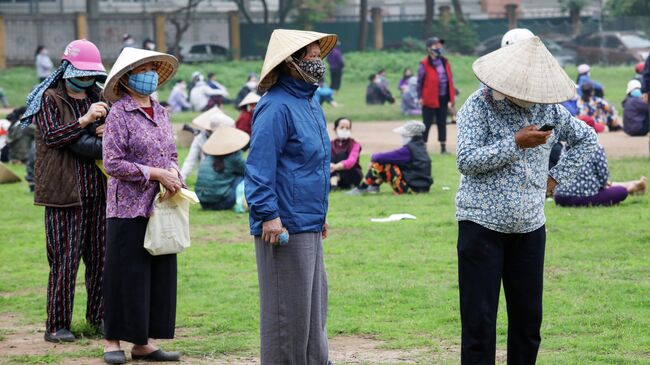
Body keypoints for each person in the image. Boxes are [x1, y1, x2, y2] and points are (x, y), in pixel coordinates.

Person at [455, 30, 598, 365]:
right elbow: (466, 160)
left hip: (530, 228)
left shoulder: (550, 109)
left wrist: (554, 178)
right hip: (481, 226)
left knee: (528, 320)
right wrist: (515, 144)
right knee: (479, 321)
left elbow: (587, 139)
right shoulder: (478, 106)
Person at [245, 29, 336, 365]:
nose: (317, 62)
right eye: (311, 57)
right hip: (282, 224)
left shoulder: (310, 103)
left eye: (318, 56)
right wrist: (268, 214)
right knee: (288, 311)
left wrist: (320, 213)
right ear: (291, 63)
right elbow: (259, 167)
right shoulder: (274, 106)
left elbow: (312, 164)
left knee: (313, 306)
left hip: (308, 219)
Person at [20, 39, 109, 343]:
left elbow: (108, 135)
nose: (86, 78)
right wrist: (85, 121)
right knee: (64, 261)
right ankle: (57, 325)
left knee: (100, 259)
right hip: (63, 195)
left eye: (91, 73)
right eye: (81, 72)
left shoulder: (98, 96)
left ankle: (98, 318)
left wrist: (104, 127)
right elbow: (53, 136)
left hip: (98, 191)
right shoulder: (50, 98)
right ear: (67, 69)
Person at [101, 47, 183, 365]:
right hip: (126, 208)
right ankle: (112, 341)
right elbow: (112, 162)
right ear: (127, 77)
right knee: (125, 273)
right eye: (143, 69)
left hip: (160, 205)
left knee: (155, 274)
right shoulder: (119, 114)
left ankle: (143, 342)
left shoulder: (161, 112)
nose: (149, 74)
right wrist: (153, 173)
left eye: (152, 68)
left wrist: (174, 174)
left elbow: (171, 153)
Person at [347, 120, 432, 195]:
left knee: (380, 163)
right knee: (389, 162)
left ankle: (362, 188)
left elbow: (379, 157)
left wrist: (373, 157)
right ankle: (374, 186)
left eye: (403, 135)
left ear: (409, 135)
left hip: (411, 189)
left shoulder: (407, 150)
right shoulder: (421, 147)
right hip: (423, 188)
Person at [555, 141, 646, 207]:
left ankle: (632, 183)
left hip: (560, 197)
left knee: (605, 185)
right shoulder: (595, 146)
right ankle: (630, 188)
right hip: (585, 197)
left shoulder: (566, 146)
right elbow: (603, 179)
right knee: (620, 191)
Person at [195, 126, 249, 211]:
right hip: (221, 203)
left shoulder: (209, 156)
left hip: (203, 202)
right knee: (241, 177)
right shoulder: (234, 156)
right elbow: (247, 171)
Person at [417, 36, 456, 153]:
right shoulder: (424, 64)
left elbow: (449, 80)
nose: (439, 47)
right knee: (427, 123)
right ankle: (422, 148)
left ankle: (443, 148)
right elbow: (419, 82)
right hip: (429, 98)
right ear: (429, 49)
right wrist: (420, 97)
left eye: (440, 45)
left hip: (443, 97)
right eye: (436, 45)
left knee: (442, 123)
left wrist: (451, 97)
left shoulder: (445, 62)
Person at [181, 107, 235, 180]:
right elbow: (190, 160)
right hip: (205, 175)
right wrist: (181, 179)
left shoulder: (226, 137)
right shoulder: (200, 138)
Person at [330, 117, 362, 190]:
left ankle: (333, 183)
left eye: (347, 128)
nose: (344, 130)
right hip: (332, 171)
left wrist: (334, 167)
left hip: (351, 173)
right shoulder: (329, 144)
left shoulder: (355, 144)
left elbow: (351, 161)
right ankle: (334, 183)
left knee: (341, 156)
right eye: (342, 127)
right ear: (335, 129)